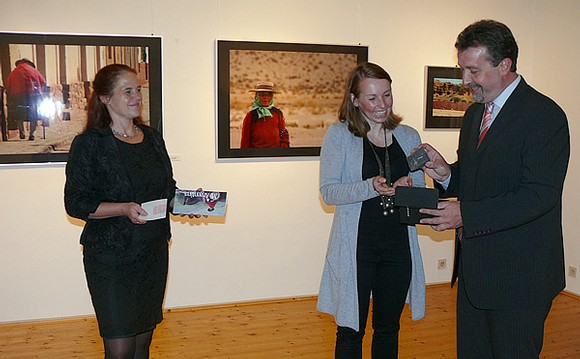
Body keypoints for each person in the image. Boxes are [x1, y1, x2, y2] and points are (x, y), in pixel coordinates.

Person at [419, 20, 570, 358]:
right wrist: (446, 174)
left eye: (473, 70)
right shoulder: (474, 115)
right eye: (462, 70)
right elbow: (477, 178)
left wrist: (465, 215)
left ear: (505, 65)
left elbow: (539, 194)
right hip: (475, 276)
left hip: (520, 280)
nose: (465, 80)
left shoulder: (544, 115)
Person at [64, 64, 196, 359]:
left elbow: (167, 191)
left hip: (151, 252)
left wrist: (189, 204)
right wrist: (122, 208)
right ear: (106, 99)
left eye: (138, 89)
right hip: (111, 258)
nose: (137, 96)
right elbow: (76, 203)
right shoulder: (89, 145)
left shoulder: (152, 139)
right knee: (120, 349)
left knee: (142, 345)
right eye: (128, 91)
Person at [317, 62, 426, 359]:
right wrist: (370, 187)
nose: (382, 105)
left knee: (389, 330)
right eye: (372, 98)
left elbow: (419, 192)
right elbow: (328, 193)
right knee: (351, 330)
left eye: (387, 95)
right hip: (357, 249)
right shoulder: (340, 135)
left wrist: (406, 187)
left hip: (398, 248)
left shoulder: (410, 136)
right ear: (354, 100)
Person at [4, 58, 46, 140]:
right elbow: (43, 81)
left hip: (19, 96)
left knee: (20, 114)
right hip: (33, 95)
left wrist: (11, 93)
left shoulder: (15, 71)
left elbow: (8, 84)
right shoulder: (34, 70)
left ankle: (22, 132)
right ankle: (31, 134)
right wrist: (40, 92)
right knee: (33, 114)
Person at [240, 81, 290, 148]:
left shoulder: (277, 114)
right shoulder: (251, 115)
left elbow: (283, 134)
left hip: (275, 154)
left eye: (269, 95)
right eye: (262, 94)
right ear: (257, 96)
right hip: (257, 154)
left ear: (272, 97)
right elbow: (245, 140)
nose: (265, 97)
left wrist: (283, 149)